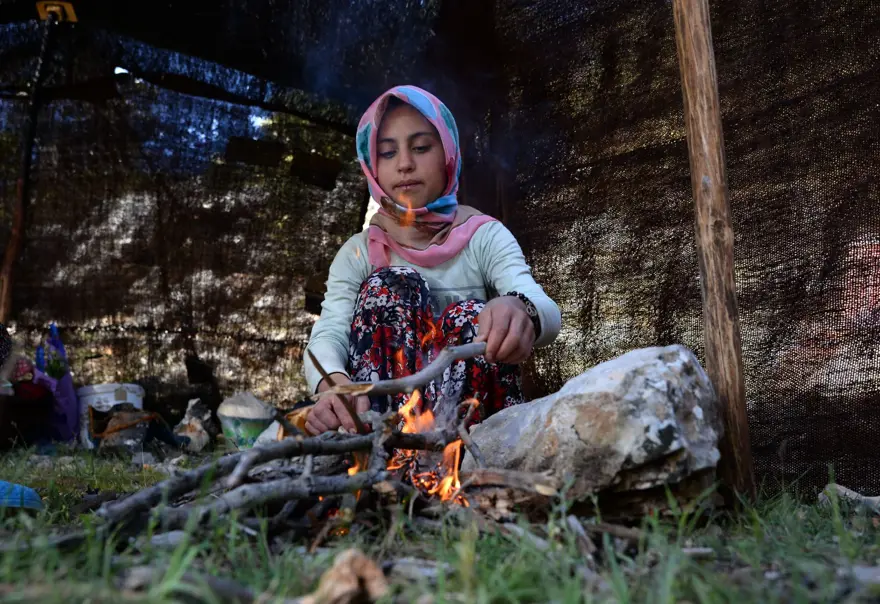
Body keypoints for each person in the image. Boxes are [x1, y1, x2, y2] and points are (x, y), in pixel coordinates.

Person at [303, 85, 561, 435]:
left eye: (421, 147)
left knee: (471, 317)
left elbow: (544, 307)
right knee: (389, 286)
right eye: (388, 152)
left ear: (448, 155)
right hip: (385, 435)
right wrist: (333, 385)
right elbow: (328, 333)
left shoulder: (483, 235)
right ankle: (387, 456)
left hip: (473, 437)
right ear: (372, 167)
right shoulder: (358, 253)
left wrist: (520, 310)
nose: (405, 163)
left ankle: (456, 465)